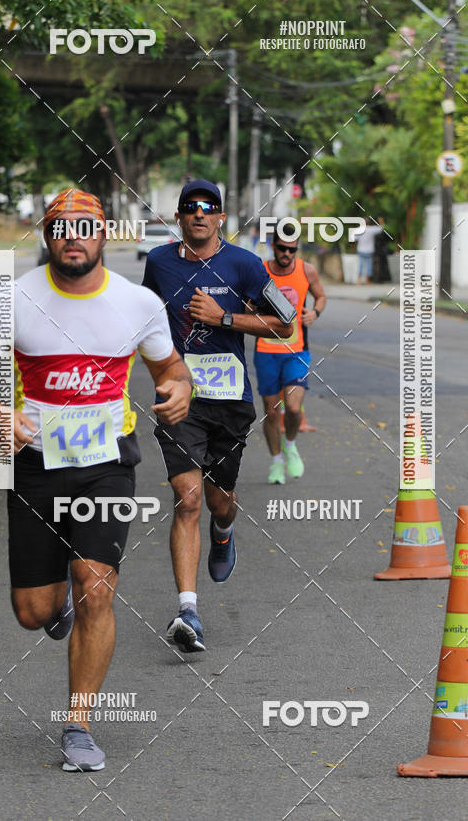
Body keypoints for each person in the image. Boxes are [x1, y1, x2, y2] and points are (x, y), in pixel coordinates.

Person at [0, 188, 192, 772]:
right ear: (46, 235)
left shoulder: (138, 303)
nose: (73, 238)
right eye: (61, 228)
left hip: (108, 463)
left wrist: (179, 390)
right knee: (32, 612)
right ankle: (52, 600)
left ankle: (78, 724)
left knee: (96, 585)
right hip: (34, 465)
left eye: (85, 228)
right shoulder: (13, 299)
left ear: (104, 234)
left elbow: (170, 367)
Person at [142, 179, 294, 654]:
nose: (199, 214)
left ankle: (224, 531)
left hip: (229, 401)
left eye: (208, 208)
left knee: (218, 500)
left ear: (221, 217)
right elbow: (146, 320)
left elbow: (285, 322)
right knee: (186, 499)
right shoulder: (159, 263)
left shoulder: (244, 265)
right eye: (190, 207)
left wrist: (224, 318)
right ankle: (188, 610)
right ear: (180, 216)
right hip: (179, 399)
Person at [254, 224, 326, 484]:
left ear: (297, 249)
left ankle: (291, 444)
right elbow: (246, 301)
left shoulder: (307, 270)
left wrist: (314, 312)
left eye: (291, 249)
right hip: (265, 350)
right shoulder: (260, 271)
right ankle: (276, 463)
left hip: (297, 350)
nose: (286, 253)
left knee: (294, 409)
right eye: (282, 248)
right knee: (271, 412)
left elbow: (321, 296)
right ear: (274, 246)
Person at [355, 217, 385, 284]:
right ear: (369, 223)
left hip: (361, 249)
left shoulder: (359, 230)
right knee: (369, 265)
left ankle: (359, 280)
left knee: (361, 265)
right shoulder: (372, 229)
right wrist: (381, 222)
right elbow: (381, 228)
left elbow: (354, 238)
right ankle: (367, 280)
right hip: (369, 250)